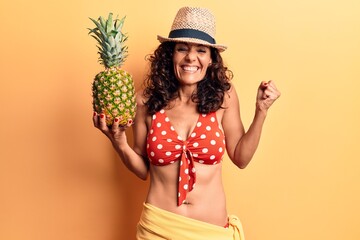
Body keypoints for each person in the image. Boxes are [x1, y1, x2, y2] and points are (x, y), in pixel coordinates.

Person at [93, 6, 280, 240]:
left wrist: (261, 111)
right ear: (170, 54)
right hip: (158, 228)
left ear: (211, 59)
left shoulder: (225, 97)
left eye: (201, 50)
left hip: (210, 232)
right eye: (182, 49)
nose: (191, 57)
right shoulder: (145, 101)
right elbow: (143, 170)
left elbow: (241, 158)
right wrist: (120, 143)